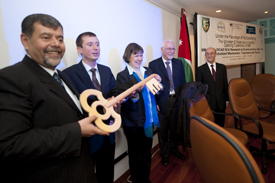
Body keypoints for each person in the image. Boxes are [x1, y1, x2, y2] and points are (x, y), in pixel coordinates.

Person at [0, 14, 109, 183]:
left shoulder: (61, 76)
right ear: (25, 41)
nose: (55, 44)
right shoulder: (10, 78)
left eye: (60, 39)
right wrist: (77, 131)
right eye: (46, 37)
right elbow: (10, 145)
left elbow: (72, 114)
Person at [63, 32, 116, 183]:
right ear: (79, 49)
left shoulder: (106, 70)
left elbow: (115, 92)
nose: (95, 48)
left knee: (107, 173)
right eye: (90, 44)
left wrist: (115, 100)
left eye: (98, 44)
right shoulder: (69, 74)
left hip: (108, 131)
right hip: (86, 137)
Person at [116, 43, 161, 183]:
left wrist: (159, 82)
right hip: (133, 122)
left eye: (141, 55)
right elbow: (124, 101)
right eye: (136, 55)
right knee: (136, 155)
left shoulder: (148, 71)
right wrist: (135, 92)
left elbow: (155, 92)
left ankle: (145, 178)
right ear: (128, 56)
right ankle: (137, 180)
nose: (139, 58)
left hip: (149, 119)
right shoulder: (123, 76)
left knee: (147, 153)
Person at [149, 39, 186, 166]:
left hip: (176, 101)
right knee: (163, 131)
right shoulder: (153, 65)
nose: (171, 51)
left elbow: (183, 82)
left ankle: (174, 149)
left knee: (175, 128)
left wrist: (181, 100)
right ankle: (164, 154)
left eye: (173, 49)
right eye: (168, 48)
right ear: (162, 50)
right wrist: (155, 103)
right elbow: (151, 87)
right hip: (162, 102)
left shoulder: (179, 63)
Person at [196, 47, 229, 127]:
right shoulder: (200, 70)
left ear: (215, 54)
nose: (209, 55)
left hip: (221, 102)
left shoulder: (222, 68)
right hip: (208, 103)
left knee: (220, 124)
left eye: (211, 53)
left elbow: (225, 84)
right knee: (210, 125)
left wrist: (227, 100)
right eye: (207, 53)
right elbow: (199, 89)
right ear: (205, 55)